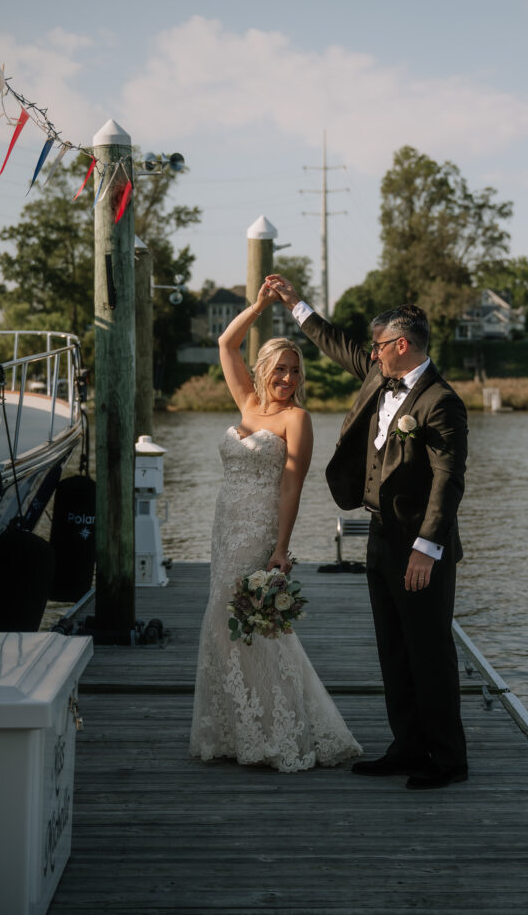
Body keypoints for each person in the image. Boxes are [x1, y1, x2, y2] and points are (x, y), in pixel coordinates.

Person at [266, 274, 468, 790]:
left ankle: (446, 760)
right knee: (394, 649)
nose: (371, 354)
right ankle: (406, 747)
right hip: (380, 535)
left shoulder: (441, 401)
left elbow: (448, 481)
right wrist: (295, 304)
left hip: (419, 545)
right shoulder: (380, 374)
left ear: (401, 346)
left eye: (379, 346)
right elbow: (336, 344)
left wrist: (427, 549)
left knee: (429, 652)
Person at [189, 282, 362, 772]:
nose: (287, 378)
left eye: (294, 371)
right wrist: (259, 307)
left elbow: (292, 487)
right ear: (263, 371)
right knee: (223, 624)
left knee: (255, 625)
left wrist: (281, 548)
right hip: (225, 524)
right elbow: (226, 344)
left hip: (260, 527)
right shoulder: (246, 403)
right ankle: (235, 728)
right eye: (280, 369)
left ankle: (281, 729)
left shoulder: (297, 419)